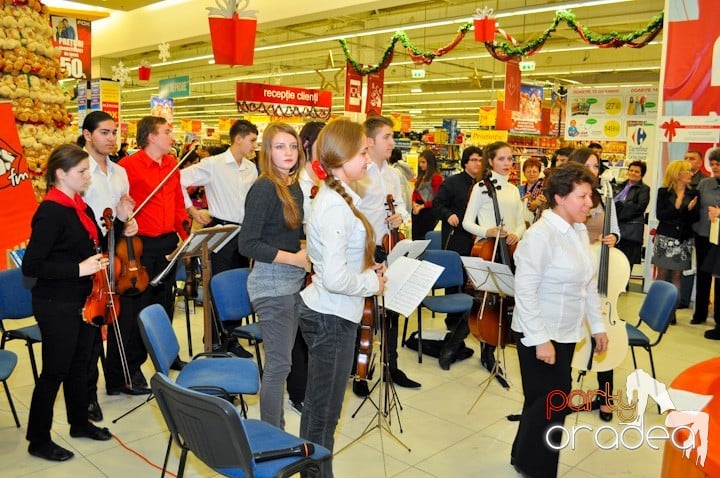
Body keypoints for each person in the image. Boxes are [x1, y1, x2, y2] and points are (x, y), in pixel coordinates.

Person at [22, 144, 138, 462]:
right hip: (55, 302)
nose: (88, 177)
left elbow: (96, 244)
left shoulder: (79, 206)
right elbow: (31, 266)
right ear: (61, 174)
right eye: (82, 172)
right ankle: (39, 438)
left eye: (88, 171)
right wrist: (78, 269)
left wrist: (119, 222)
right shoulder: (50, 211)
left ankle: (79, 423)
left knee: (80, 365)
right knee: (55, 371)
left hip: (85, 300)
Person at [510, 162, 608, 478]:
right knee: (552, 405)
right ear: (560, 198)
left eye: (590, 196)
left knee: (541, 402)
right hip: (539, 334)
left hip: (566, 333)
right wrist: (540, 339)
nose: (589, 204)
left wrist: (599, 327)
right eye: (582, 196)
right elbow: (524, 291)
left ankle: (522, 458)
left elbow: (587, 283)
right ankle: (539, 470)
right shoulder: (541, 235)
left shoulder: (578, 231)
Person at [299, 119, 385, 478]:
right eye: (363, 151)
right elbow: (335, 278)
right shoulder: (334, 204)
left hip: (334, 313)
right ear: (343, 154)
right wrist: (371, 282)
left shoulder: (340, 195)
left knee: (323, 408)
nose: (368, 158)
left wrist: (367, 272)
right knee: (323, 413)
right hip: (330, 316)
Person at [237, 122, 307, 429]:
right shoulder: (264, 187)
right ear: (267, 151)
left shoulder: (293, 185)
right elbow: (247, 243)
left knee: (285, 361)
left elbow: (287, 234)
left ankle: (273, 430)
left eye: (292, 146)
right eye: (280, 146)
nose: (288, 152)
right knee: (279, 366)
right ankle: (272, 433)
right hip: (271, 285)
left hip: (292, 283)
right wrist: (296, 258)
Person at [80, 111, 143, 418]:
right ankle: (88, 394)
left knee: (121, 316)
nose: (111, 138)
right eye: (104, 132)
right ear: (87, 134)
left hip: (115, 249)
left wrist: (128, 221)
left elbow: (123, 210)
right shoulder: (77, 169)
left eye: (114, 132)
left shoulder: (119, 172)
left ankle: (118, 378)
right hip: (87, 250)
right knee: (92, 325)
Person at [351, 115, 420, 395]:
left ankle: (391, 364)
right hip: (365, 250)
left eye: (392, 137)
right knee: (364, 313)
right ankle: (360, 372)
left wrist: (399, 217)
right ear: (369, 141)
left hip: (390, 247)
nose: (393, 142)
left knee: (390, 309)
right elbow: (350, 212)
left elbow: (401, 204)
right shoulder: (359, 173)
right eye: (387, 137)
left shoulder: (392, 173)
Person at [118, 116, 190, 375]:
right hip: (141, 245)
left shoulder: (172, 164)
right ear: (151, 137)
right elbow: (120, 204)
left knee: (164, 303)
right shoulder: (128, 166)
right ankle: (133, 367)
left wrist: (186, 235)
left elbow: (178, 203)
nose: (172, 137)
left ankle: (166, 354)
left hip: (169, 243)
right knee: (138, 307)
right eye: (167, 132)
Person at [461, 141, 526, 378]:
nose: (508, 163)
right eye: (502, 159)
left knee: (508, 296)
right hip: (489, 248)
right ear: (490, 161)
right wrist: (486, 231)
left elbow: (519, 221)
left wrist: (516, 234)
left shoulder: (513, 189)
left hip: (510, 250)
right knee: (487, 298)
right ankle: (486, 349)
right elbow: (467, 221)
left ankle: (501, 339)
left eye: (510, 159)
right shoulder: (481, 187)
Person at [569, 147, 620, 422]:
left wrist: (613, 237)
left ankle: (606, 397)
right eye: (588, 165)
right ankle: (561, 392)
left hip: (600, 274)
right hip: (576, 273)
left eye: (597, 166)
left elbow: (614, 230)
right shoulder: (568, 198)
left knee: (603, 332)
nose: (594, 170)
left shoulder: (603, 196)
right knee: (569, 335)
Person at [183, 119, 258, 274]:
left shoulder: (251, 168)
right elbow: (178, 180)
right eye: (252, 140)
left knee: (242, 280)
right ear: (238, 139)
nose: (255, 145)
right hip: (221, 233)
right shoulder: (213, 164)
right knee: (220, 282)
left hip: (244, 234)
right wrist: (192, 210)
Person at [287, 121, 326, 415]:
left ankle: (315, 384)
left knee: (317, 326)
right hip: (297, 262)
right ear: (308, 144)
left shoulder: (328, 179)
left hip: (321, 263)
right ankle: (297, 391)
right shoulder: (294, 182)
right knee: (299, 329)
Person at [434, 146, 482, 370]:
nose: (477, 164)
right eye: (473, 160)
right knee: (456, 283)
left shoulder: (484, 186)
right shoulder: (452, 183)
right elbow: (437, 205)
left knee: (473, 287)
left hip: (479, 242)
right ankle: (453, 328)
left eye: (480, 160)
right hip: (457, 239)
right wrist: (448, 214)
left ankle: (468, 327)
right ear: (464, 162)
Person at [652, 160, 699, 317]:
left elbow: (694, 218)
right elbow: (661, 215)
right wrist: (680, 206)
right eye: (688, 171)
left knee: (677, 276)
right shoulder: (663, 192)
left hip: (683, 240)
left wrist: (687, 211)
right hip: (665, 238)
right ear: (677, 174)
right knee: (662, 274)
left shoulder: (694, 193)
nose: (691, 174)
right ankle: (657, 309)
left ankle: (671, 313)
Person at [693, 148, 720, 339]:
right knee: (702, 275)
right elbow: (695, 208)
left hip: (719, 239)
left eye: (718, 164)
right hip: (703, 235)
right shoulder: (704, 183)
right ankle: (700, 313)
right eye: (713, 164)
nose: (715, 167)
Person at [613, 160, 651, 268]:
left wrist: (621, 207)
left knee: (626, 268)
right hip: (616, 230)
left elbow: (639, 208)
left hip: (631, 234)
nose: (633, 173)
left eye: (636, 171)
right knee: (614, 267)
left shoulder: (644, 189)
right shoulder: (619, 186)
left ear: (642, 174)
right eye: (631, 170)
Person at [411, 149, 443, 240]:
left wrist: (421, 207)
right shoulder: (421, 176)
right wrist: (414, 203)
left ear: (430, 162)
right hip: (417, 210)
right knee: (415, 238)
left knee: (424, 238)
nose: (420, 165)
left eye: (423, 162)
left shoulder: (436, 178)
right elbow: (415, 192)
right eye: (420, 162)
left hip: (427, 212)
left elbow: (436, 199)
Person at [519, 157, 546, 226]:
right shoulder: (519, 189)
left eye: (534, 171)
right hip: (521, 222)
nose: (531, 174)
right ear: (524, 173)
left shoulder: (543, 188)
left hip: (538, 223)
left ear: (539, 172)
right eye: (528, 172)